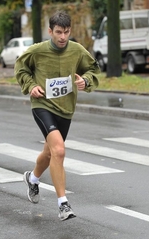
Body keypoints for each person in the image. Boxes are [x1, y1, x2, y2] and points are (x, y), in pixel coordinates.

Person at [14, 10, 100, 221]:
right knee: (59, 151)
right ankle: (63, 204)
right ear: (50, 31)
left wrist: (85, 81)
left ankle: (32, 179)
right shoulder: (37, 51)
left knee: (50, 152)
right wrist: (31, 86)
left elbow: (93, 69)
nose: (63, 37)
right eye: (59, 32)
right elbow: (21, 68)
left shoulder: (77, 50)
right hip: (42, 105)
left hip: (66, 108)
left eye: (67, 32)